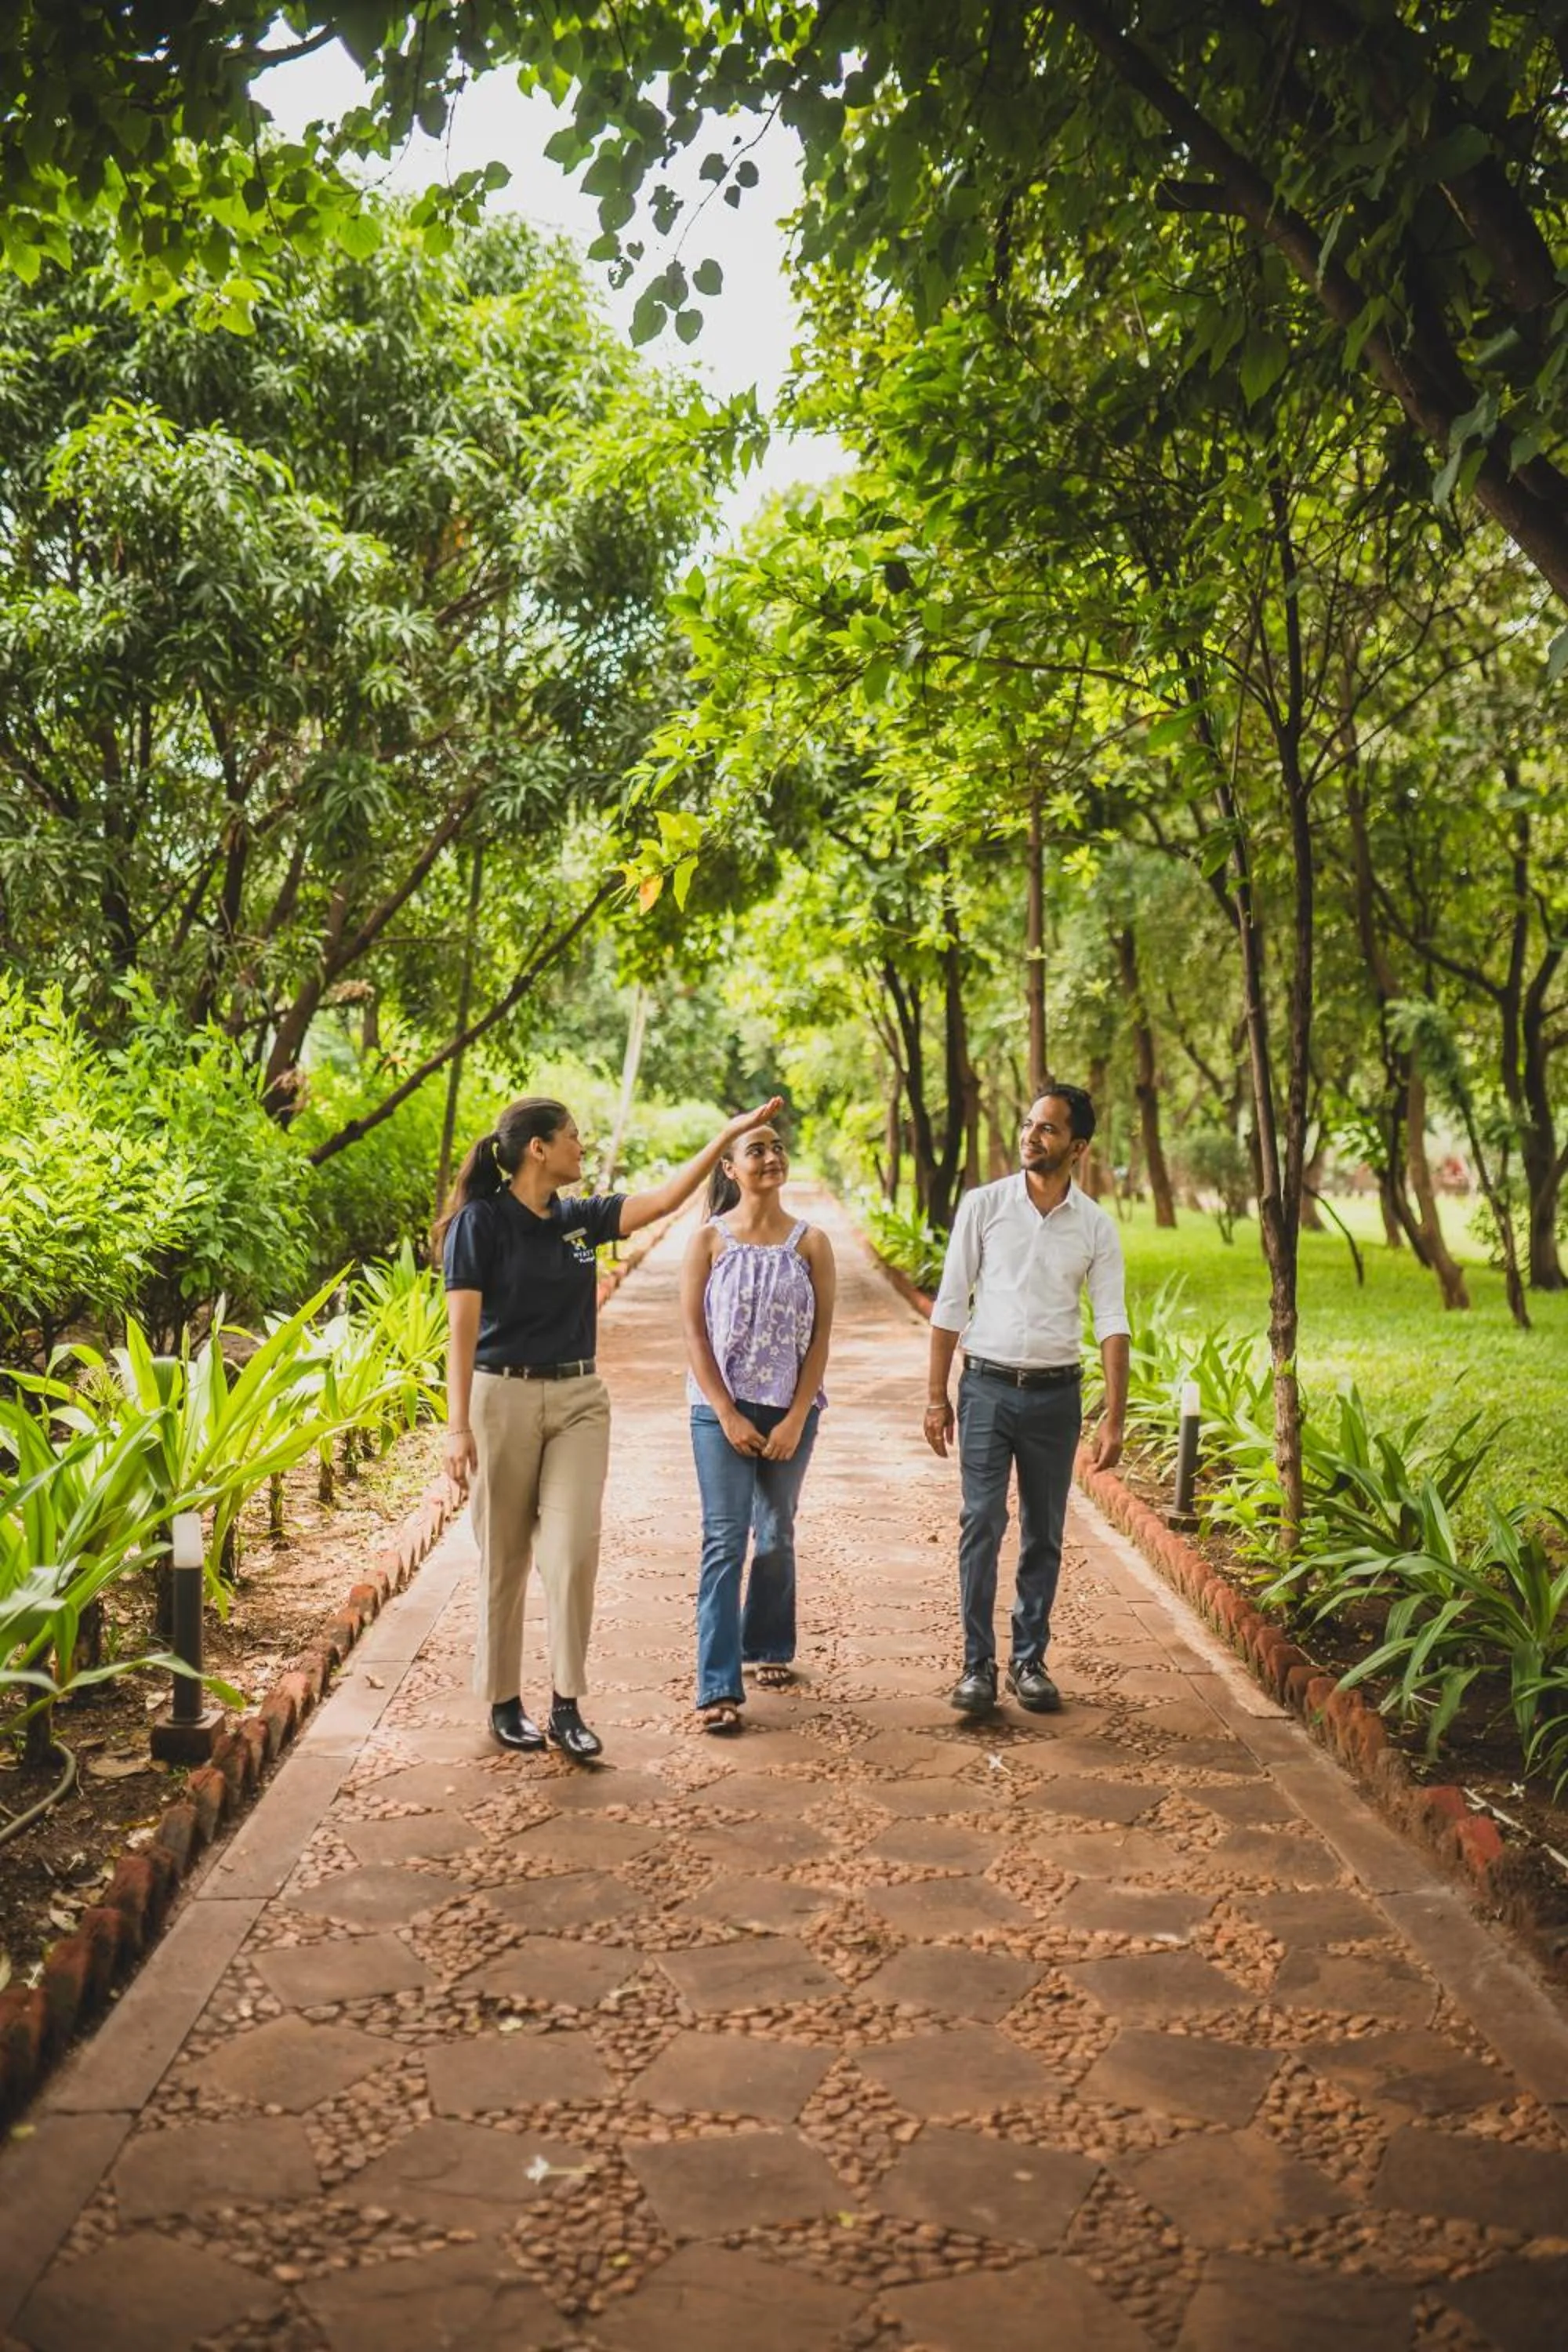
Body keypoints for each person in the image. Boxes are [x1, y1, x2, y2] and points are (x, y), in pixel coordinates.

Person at [437, 1091, 782, 1761]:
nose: (581, 1146)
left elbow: (664, 1198)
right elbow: (461, 1330)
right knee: (503, 1559)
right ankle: (504, 1702)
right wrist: (458, 1428)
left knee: (572, 1554)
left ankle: (566, 1704)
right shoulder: (479, 1224)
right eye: (571, 1136)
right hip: (500, 1398)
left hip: (578, 1399)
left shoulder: (579, 1219)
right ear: (538, 1148)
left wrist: (727, 1135)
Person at [924, 1085, 1131, 1717]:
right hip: (985, 1388)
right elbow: (951, 1302)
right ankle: (976, 1665)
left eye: (1048, 1129)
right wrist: (937, 1397)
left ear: (1078, 1147)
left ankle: (1029, 1661)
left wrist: (1115, 1418)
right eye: (1030, 1124)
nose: (1032, 1136)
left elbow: (1112, 1320)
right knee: (981, 1522)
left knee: (1045, 1534)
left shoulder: (1096, 1226)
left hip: (1054, 1398)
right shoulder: (984, 1206)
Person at [680, 1119, 835, 1733]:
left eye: (777, 1148)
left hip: (789, 1409)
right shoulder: (708, 1241)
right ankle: (717, 1685)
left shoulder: (811, 1243)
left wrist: (797, 1415)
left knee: (774, 1535)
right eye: (756, 1150)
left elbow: (822, 1336)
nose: (771, 1157)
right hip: (718, 1410)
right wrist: (724, 1410)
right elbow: (693, 1332)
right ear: (730, 1168)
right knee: (725, 1539)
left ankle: (768, 1643)